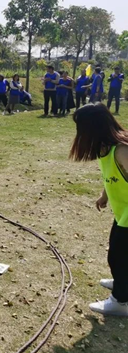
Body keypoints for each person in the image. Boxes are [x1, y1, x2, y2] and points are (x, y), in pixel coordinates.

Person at [70, 103, 128, 316]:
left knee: (118, 256)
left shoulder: (121, 150)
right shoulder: (107, 149)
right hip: (122, 212)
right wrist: (105, 196)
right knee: (119, 253)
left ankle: (120, 301)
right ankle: (122, 282)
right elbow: (114, 175)